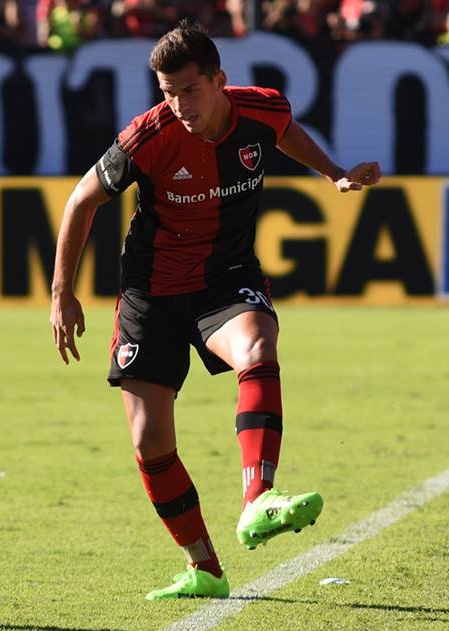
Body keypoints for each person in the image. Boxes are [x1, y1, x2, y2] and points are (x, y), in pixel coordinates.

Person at [49, 21, 380, 600]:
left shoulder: (262, 110)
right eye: (167, 92)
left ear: (219, 80)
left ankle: (259, 497)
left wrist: (334, 174)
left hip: (225, 278)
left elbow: (287, 133)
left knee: (258, 345)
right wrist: (61, 293)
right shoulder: (147, 137)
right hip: (151, 291)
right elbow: (82, 199)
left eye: (189, 90)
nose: (178, 105)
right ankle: (204, 568)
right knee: (150, 441)